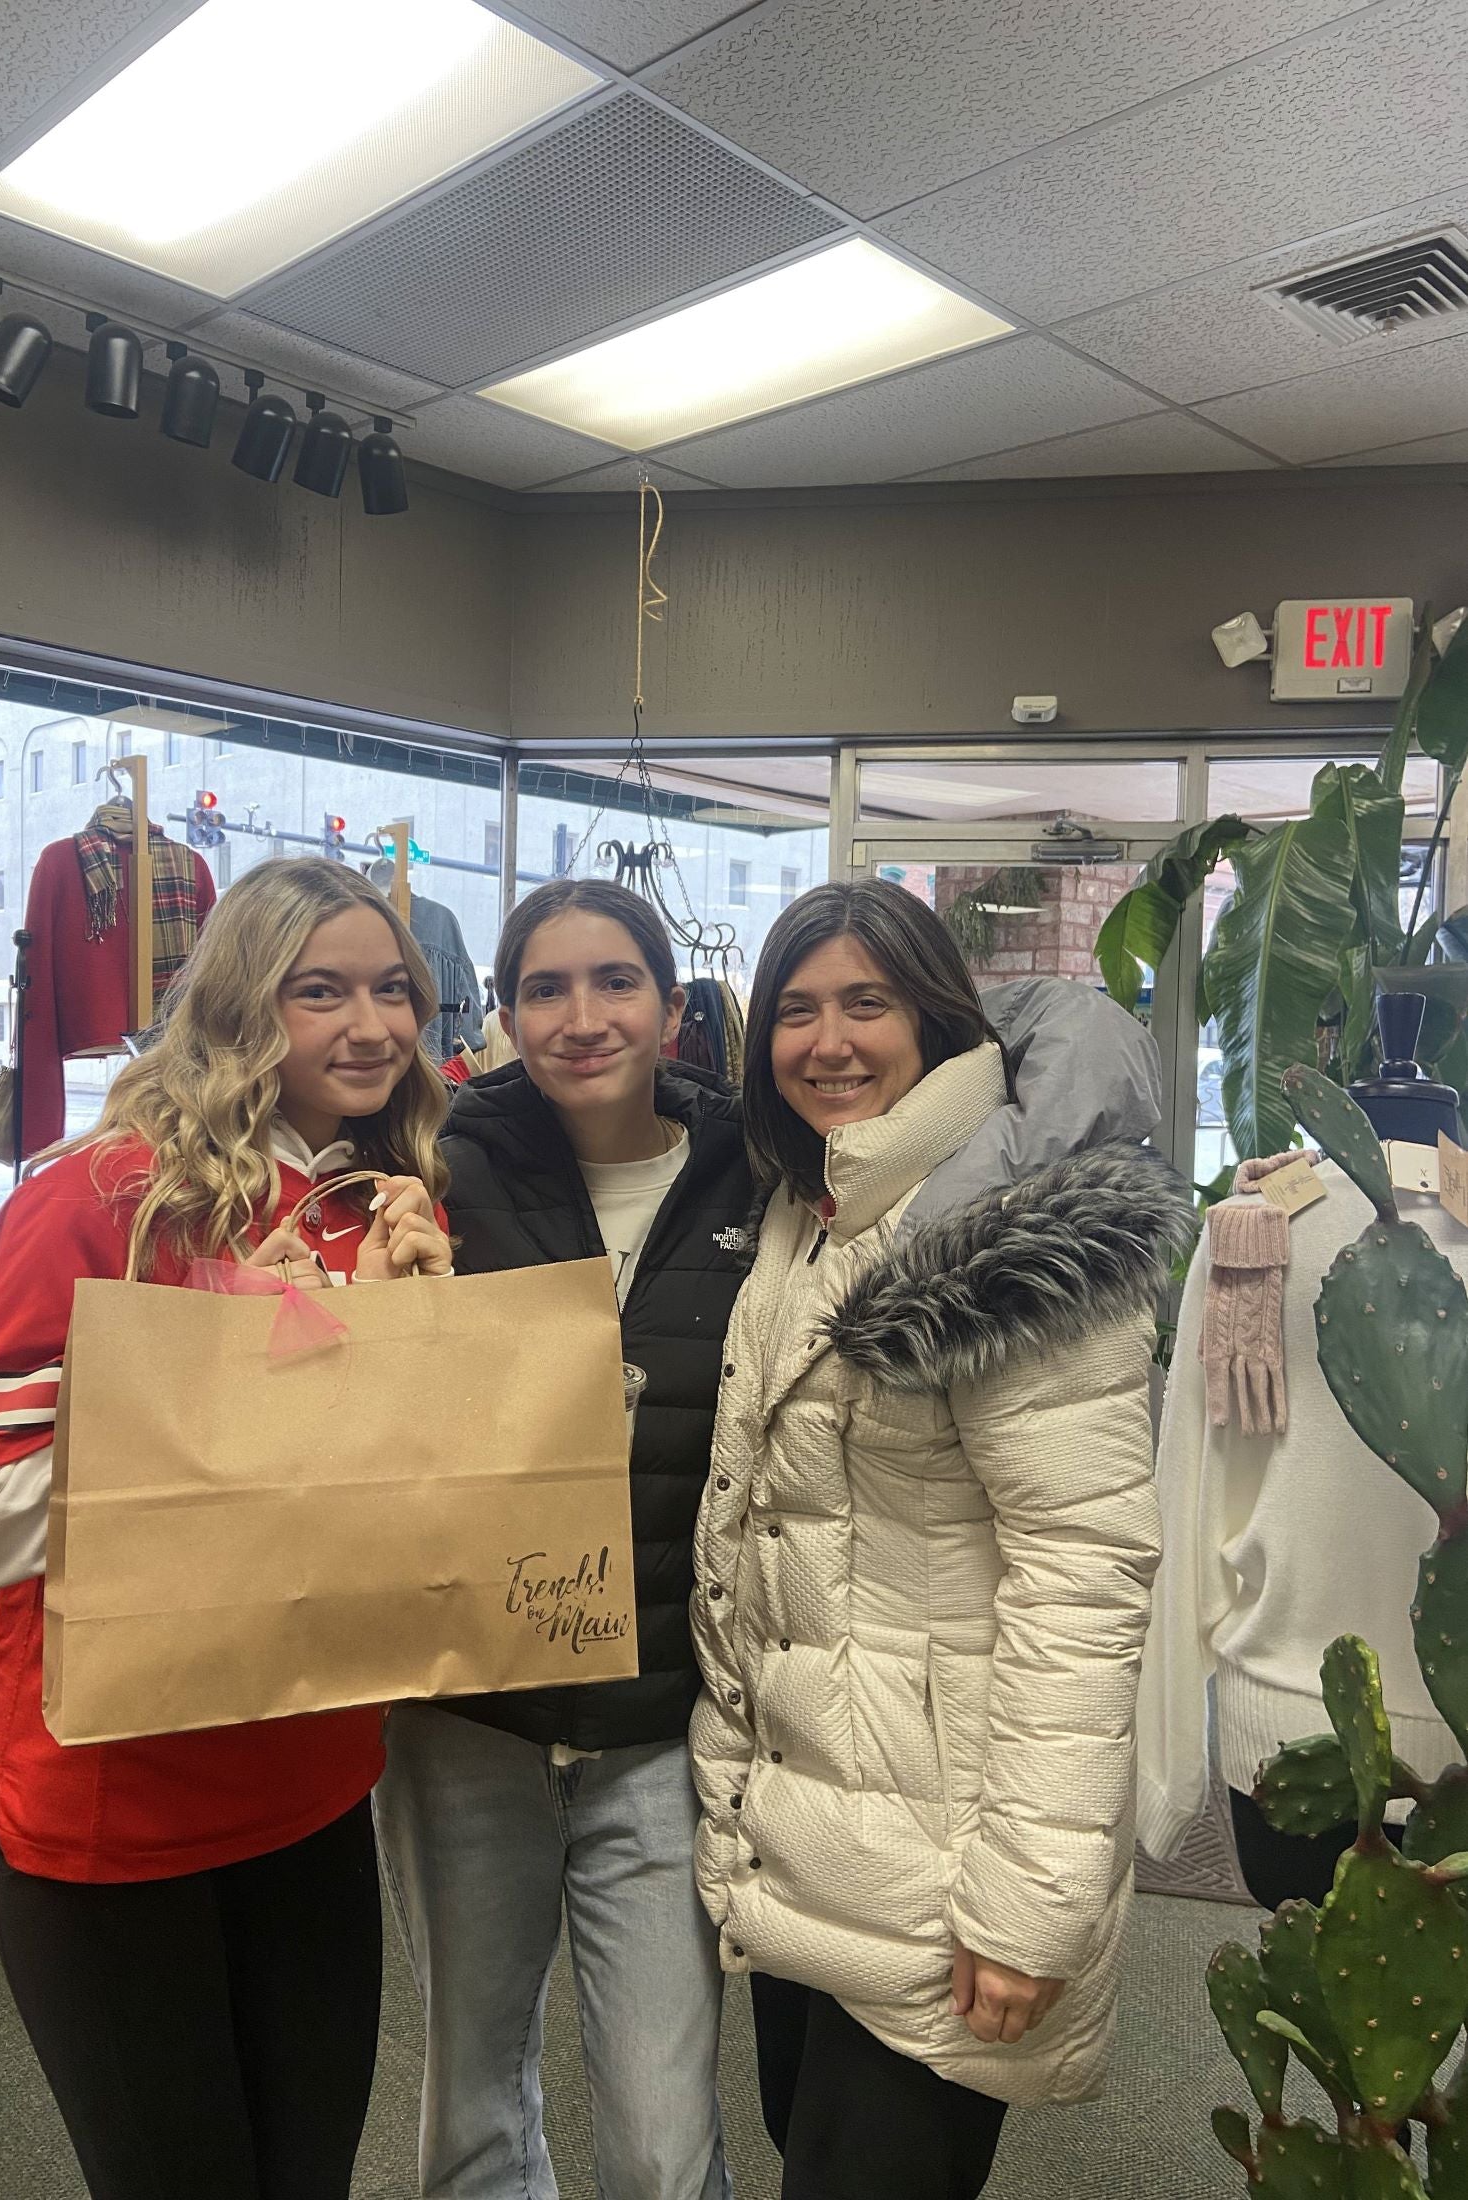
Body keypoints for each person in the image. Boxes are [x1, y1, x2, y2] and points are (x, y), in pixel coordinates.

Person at [0, 858, 452, 2200]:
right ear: (234, 1005)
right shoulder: (98, 1197)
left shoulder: (379, 1208)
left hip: (314, 1782)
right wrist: (215, 1374)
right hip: (115, 1814)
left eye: (393, 989)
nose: (371, 1025)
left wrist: (431, 1348)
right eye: (319, 990)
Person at [691, 880, 1189, 2200]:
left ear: (939, 1018)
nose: (829, 1040)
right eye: (795, 1011)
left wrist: (1030, 1903)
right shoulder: (815, 1209)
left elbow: (1081, 1577)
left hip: (942, 1853)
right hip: (810, 1840)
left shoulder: (1010, 1228)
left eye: (867, 1002)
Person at [373, 877, 753, 2200]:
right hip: (466, 1713)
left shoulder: (758, 1171)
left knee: (661, 2128)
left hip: (656, 1717)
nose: (580, 1016)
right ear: (505, 1008)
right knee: (473, 2098)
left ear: (668, 1005)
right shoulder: (433, 1162)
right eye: (545, 986)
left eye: (614, 982)